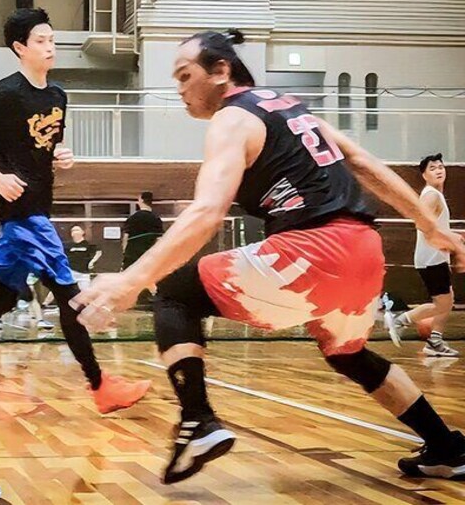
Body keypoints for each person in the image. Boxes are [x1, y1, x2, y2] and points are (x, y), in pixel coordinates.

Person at [75, 29, 465, 483]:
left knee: (177, 292)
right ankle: (445, 447)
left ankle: (197, 421)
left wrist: (131, 279)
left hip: (312, 250)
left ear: (221, 71)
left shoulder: (232, 118)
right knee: (348, 353)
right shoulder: (289, 108)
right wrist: (430, 225)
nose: (179, 88)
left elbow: (207, 211)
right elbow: (361, 161)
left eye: (185, 75)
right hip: (364, 252)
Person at [0, 8, 150, 413]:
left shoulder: (57, 96)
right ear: (19, 48)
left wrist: (61, 156)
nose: (49, 46)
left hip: (39, 208)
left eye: (52, 39)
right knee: (71, 297)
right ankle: (101, 386)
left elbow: (45, 146)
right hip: (23, 214)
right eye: (40, 40)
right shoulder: (5, 93)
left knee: (2, 300)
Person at [386, 153, 459, 357]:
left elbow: (435, 226)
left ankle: (435, 341)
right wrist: (450, 239)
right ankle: (400, 320)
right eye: (433, 168)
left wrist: (455, 236)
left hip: (435, 256)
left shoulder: (435, 194)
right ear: (424, 175)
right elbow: (421, 224)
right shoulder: (431, 195)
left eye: (441, 167)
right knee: (441, 303)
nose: (438, 170)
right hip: (431, 258)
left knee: (448, 298)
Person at [121, 192, 164, 270]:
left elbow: (126, 237)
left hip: (132, 256)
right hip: (149, 257)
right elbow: (159, 239)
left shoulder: (133, 218)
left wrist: (125, 252)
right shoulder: (156, 219)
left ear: (141, 200)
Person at [65, 225, 102, 290]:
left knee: (86, 293)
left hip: (83, 274)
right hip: (71, 273)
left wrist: (92, 262)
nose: (75, 232)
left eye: (77, 230)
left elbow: (99, 252)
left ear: (83, 232)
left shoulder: (88, 244)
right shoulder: (67, 246)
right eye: (73, 231)